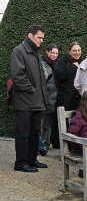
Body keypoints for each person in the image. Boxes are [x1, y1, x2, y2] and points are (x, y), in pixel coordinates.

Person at [11, 25, 48, 172]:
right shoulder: (19, 51)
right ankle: (21, 163)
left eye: (42, 38)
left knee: (34, 133)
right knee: (23, 133)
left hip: (36, 102)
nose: (41, 41)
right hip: (25, 102)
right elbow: (18, 76)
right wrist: (32, 90)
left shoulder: (36, 52)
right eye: (39, 37)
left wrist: (41, 96)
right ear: (30, 36)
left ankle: (32, 160)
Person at [53, 42, 82, 148]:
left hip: (78, 97)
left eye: (79, 50)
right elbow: (60, 75)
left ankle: (74, 146)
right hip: (65, 97)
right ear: (69, 51)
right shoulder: (63, 61)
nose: (77, 53)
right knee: (63, 123)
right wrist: (73, 67)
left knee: (76, 122)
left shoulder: (83, 62)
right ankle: (62, 147)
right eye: (74, 50)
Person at [38, 43, 59, 155]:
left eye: (56, 53)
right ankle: (43, 145)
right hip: (46, 98)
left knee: (51, 123)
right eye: (52, 52)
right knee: (45, 123)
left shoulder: (58, 64)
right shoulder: (42, 65)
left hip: (56, 98)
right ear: (47, 52)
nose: (54, 55)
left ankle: (49, 142)